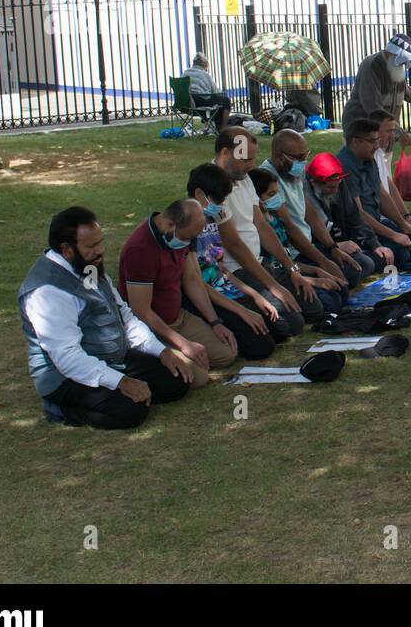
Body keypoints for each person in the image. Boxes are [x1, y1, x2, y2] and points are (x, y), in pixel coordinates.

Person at [18, 206, 194, 429]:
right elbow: (67, 358)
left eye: (100, 242)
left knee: (176, 381)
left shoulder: (88, 265)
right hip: (67, 376)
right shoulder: (47, 292)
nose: (101, 250)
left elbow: (125, 317)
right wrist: (120, 381)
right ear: (66, 249)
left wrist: (161, 351)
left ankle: (127, 389)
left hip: (112, 357)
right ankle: (61, 409)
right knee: (132, 411)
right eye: (92, 246)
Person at [117, 198, 240, 388]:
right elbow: (141, 311)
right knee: (197, 378)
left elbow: (191, 280)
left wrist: (215, 322)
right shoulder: (140, 250)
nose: (188, 244)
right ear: (169, 224)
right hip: (152, 327)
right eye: (186, 238)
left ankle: (183, 351)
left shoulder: (181, 235)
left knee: (227, 353)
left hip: (179, 317)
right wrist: (182, 343)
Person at [213, 126, 325, 332]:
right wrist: (274, 286)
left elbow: (262, 226)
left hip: (260, 264)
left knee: (315, 309)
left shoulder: (244, 179)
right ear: (225, 153)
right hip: (237, 270)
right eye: (245, 159)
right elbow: (234, 245)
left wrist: (292, 270)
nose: (251, 165)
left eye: (252, 159)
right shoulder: (213, 185)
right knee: (290, 325)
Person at [184, 163, 280, 359]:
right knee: (261, 346)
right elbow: (197, 283)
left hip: (224, 289)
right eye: (218, 199)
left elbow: (221, 269)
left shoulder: (212, 219)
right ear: (199, 193)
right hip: (205, 297)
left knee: (278, 326)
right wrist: (241, 310)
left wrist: (254, 295)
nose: (220, 205)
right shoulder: (186, 227)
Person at [259, 128, 361, 289]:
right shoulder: (268, 178)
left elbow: (310, 212)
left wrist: (332, 247)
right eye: (299, 157)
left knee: (358, 265)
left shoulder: (292, 171)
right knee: (336, 291)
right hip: (293, 253)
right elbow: (290, 229)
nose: (303, 161)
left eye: (306, 155)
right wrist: (323, 262)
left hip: (309, 245)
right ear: (279, 155)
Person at [248, 167, 347, 313]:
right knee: (327, 301)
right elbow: (276, 268)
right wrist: (313, 281)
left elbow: (288, 261)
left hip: (293, 271)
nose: (277, 199)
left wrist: (317, 270)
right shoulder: (258, 229)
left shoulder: (276, 219)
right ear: (257, 198)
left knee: (341, 290)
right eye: (271, 194)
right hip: (278, 276)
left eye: (277, 193)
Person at [336, 117, 411, 271]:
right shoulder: (345, 166)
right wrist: (393, 235)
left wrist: (403, 224)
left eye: (377, 140)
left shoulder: (368, 157)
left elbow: (383, 194)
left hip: (377, 223)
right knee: (401, 252)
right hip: (359, 231)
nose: (377, 146)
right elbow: (358, 214)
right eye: (372, 141)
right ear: (355, 142)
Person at [305, 152, 377, 289]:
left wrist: (375, 244)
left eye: (338, 186)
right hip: (317, 251)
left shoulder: (339, 185)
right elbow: (305, 237)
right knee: (362, 265)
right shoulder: (305, 196)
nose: (335, 191)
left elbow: (354, 217)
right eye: (330, 188)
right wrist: (335, 246)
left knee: (379, 258)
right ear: (314, 183)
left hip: (338, 244)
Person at [341, 33, 411, 147]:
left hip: (384, 132)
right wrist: (399, 133)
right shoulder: (371, 66)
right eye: (403, 59)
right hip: (362, 131)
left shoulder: (394, 65)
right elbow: (373, 108)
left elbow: (402, 87)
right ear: (391, 52)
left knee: (382, 163)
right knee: (363, 163)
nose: (404, 64)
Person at [371, 108, 411, 251]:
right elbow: (381, 196)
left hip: (388, 216)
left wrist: (407, 216)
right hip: (377, 220)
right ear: (374, 131)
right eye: (388, 131)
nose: (393, 137)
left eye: (393, 131)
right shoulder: (367, 157)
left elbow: (390, 187)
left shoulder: (379, 154)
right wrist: (402, 224)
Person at [182, 52, 232, 130]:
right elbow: (216, 92)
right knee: (225, 101)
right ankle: (222, 128)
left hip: (186, 104)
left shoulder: (186, 72)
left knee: (217, 101)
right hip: (201, 103)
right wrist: (222, 93)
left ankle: (210, 125)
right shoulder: (205, 74)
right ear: (205, 65)